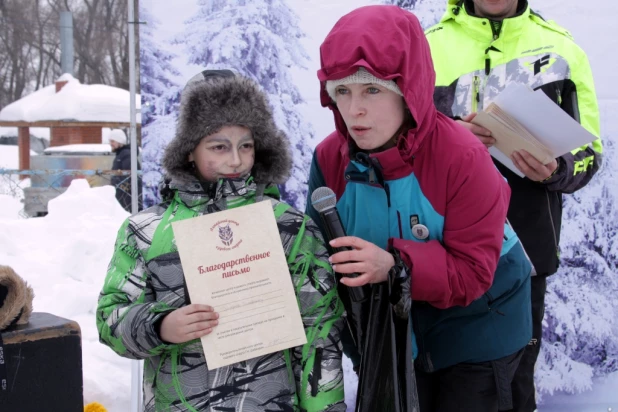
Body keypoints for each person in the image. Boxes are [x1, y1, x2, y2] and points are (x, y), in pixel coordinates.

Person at [306, 5, 532, 411]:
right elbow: (320, 265)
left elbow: (472, 273)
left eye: (372, 89)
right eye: (342, 91)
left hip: (479, 323)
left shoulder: (461, 156)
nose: (354, 109)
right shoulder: (328, 161)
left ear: (407, 89)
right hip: (389, 330)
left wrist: (394, 266)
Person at [97, 70, 346, 412]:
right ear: (188, 151)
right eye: (219, 147)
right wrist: (161, 325)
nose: (236, 160)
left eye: (246, 145)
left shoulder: (289, 228)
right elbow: (110, 319)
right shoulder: (146, 231)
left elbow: (320, 331)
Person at [425, 1, 603, 410]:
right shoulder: (428, 46)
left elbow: (588, 153)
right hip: (439, 244)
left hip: (525, 250)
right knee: (435, 380)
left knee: (514, 386)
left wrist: (556, 168)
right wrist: (447, 133)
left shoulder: (561, 49)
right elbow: (397, 137)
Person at [109, 128, 142, 212]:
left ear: (119, 141)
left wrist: (119, 186)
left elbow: (130, 175)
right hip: (125, 194)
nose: (110, 144)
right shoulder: (121, 154)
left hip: (127, 196)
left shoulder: (126, 154)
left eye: (113, 141)